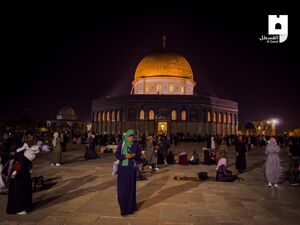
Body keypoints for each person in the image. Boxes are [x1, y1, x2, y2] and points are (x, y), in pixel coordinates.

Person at [115, 129, 140, 216]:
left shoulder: (136, 145)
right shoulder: (122, 144)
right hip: (122, 170)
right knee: (122, 190)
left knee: (131, 189)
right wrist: (126, 156)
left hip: (131, 171)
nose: (130, 138)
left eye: (132, 137)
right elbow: (117, 155)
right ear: (126, 136)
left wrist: (136, 157)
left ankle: (130, 208)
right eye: (129, 136)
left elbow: (138, 157)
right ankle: (123, 209)